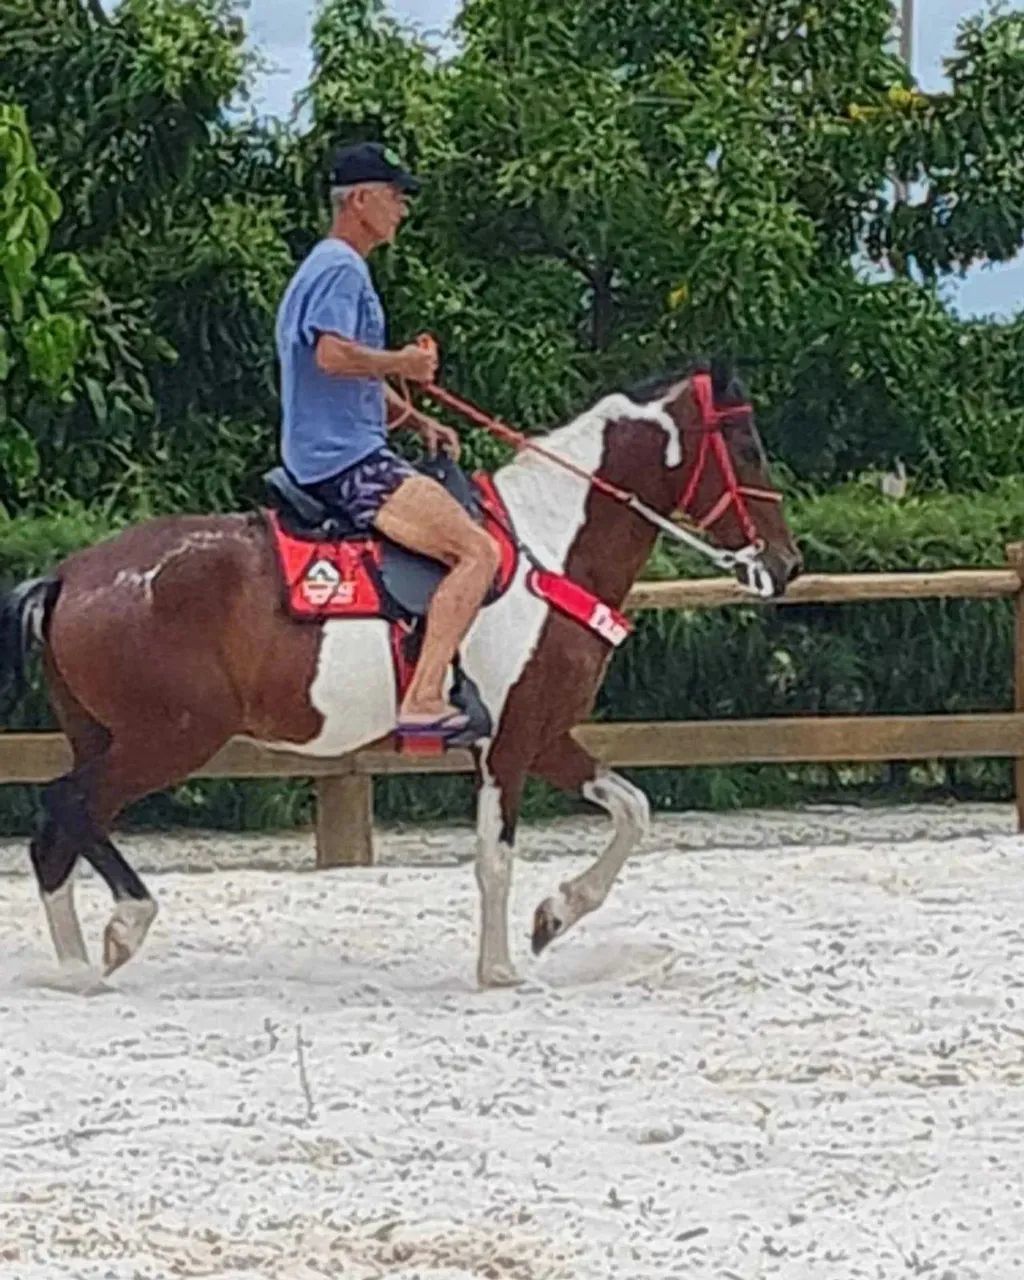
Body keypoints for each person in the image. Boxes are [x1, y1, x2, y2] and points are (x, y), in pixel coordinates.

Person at [275, 142, 499, 741]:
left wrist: (413, 419)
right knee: (479, 552)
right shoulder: (342, 268)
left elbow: (342, 373)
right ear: (361, 199)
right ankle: (425, 698)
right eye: (396, 198)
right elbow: (331, 356)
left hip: (336, 450)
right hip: (346, 462)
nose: (402, 210)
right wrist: (404, 360)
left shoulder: (326, 266)